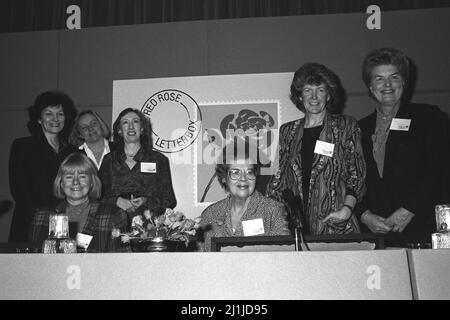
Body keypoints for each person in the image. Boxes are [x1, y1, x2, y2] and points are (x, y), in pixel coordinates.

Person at [356, 48, 450, 247]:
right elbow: (351, 178)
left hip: (421, 230)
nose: (387, 85)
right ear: (370, 86)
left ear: (404, 81)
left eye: (394, 77)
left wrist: (409, 210)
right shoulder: (358, 128)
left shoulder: (429, 118)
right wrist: (365, 215)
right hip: (376, 237)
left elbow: (440, 170)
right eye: (379, 78)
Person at [266, 63, 366, 235]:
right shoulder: (288, 131)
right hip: (297, 228)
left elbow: (357, 175)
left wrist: (347, 209)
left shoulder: (345, 126)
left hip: (336, 224)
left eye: (320, 90)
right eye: (307, 90)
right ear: (299, 96)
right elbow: (280, 177)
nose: (314, 96)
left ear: (328, 95)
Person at [9, 90, 78, 242]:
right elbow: (19, 189)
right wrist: (45, 220)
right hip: (31, 222)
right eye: (49, 114)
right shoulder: (22, 146)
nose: (55, 119)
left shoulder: (73, 151)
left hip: (66, 222)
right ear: (38, 119)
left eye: (60, 114)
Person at [29, 153, 127, 252]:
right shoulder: (42, 215)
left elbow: (122, 262)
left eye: (82, 176)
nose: (76, 182)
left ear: (92, 182)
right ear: (61, 183)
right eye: (69, 177)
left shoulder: (113, 215)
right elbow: (33, 262)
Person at [200, 146, 290, 251]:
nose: (243, 179)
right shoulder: (210, 214)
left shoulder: (273, 211)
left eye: (249, 172)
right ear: (224, 178)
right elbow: (201, 261)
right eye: (235, 172)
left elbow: (282, 256)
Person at [99, 108, 177, 225]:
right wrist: (117, 201)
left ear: (142, 129)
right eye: (125, 122)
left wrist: (146, 201)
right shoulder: (109, 160)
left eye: (135, 122)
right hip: (114, 226)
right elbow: (97, 195)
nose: (131, 126)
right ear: (119, 130)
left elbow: (169, 200)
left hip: (149, 227)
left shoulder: (158, 159)